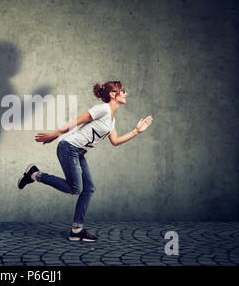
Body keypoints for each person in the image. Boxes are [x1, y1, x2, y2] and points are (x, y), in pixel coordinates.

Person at [17, 81, 153, 242]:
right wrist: (54, 135)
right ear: (112, 94)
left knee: (88, 189)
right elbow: (76, 121)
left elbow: (115, 141)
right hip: (68, 148)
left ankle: (76, 230)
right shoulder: (101, 109)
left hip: (79, 153)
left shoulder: (111, 120)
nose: (125, 93)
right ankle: (35, 174)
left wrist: (136, 131)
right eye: (123, 90)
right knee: (75, 189)